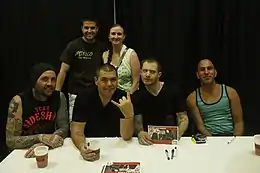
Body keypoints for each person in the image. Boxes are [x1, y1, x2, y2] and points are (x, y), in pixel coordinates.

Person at [70, 63, 134, 162]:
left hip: (116, 146)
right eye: (104, 80)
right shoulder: (84, 97)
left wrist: (129, 115)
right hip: (91, 144)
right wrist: (82, 147)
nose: (109, 84)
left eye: (113, 80)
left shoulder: (123, 97)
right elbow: (77, 131)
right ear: (96, 81)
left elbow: (126, 136)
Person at [5, 63, 69, 158]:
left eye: (53, 79)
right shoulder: (19, 101)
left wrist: (46, 143)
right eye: (44, 79)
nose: (50, 84)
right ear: (34, 81)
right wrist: (40, 138)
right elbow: (10, 141)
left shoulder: (59, 97)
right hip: (24, 151)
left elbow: (63, 128)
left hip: (49, 149)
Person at [56, 18, 107, 121]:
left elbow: (106, 71)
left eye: (92, 28)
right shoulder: (73, 46)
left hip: (96, 93)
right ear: (82, 29)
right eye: (86, 28)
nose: (89, 31)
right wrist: (57, 93)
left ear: (97, 29)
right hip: (76, 93)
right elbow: (63, 71)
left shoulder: (102, 47)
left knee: (94, 123)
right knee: (75, 123)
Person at [133, 59, 189, 145]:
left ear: (159, 75)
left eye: (152, 72)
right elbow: (137, 122)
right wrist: (140, 133)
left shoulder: (173, 91)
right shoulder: (137, 95)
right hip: (149, 141)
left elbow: (183, 119)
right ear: (140, 72)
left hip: (171, 140)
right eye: (145, 71)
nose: (147, 75)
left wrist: (176, 136)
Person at [186, 59, 244, 136]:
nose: (206, 72)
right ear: (197, 75)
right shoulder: (192, 98)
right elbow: (200, 127)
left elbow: (239, 122)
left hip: (230, 137)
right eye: (202, 70)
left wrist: (236, 140)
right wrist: (214, 143)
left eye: (209, 68)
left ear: (215, 73)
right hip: (209, 138)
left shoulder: (230, 92)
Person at [102, 24, 140, 94]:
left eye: (119, 34)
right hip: (109, 96)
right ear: (109, 37)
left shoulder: (131, 54)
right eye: (113, 34)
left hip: (127, 98)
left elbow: (136, 82)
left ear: (123, 37)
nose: (116, 36)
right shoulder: (105, 55)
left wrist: (127, 98)